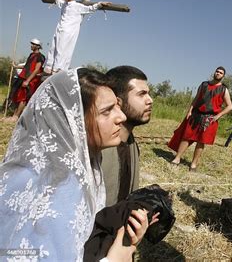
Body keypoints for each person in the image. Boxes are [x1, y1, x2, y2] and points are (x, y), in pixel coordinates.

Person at [0, 68, 153, 261]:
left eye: (116, 106)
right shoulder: (59, 192)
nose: (120, 116)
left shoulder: (77, 166)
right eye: (107, 111)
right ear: (74, 121)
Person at [102, 66, 154, 206]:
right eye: (141, 94)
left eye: (148, 93)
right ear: (118, 102)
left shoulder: (131, 144)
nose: (150, 100)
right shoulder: (99, 150)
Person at [168, 66, 232, 171]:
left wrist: (218, 116)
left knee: (201, 141)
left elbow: (230, 106)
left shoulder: (224, 90)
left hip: (209, 118)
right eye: (217, 71)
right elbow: (196, 98)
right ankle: (177, 158)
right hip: (196, 114)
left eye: (221, 73)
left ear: (223, 76)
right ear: (214, 72)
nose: (218, 73)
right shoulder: (204, 84)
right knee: (186, 137)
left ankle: (193, 164)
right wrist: (189, 110)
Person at [44, 0, 111, 74]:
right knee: (53, 47)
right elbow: (57, 0)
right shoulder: (64, 4)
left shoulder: (77, 6)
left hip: (68, 31)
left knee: (62, 49)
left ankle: (57, 68)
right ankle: (49, 66)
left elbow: (90, 8)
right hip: (59, 28)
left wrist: (100, 4)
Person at [4, 38, 45, 122]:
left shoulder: (40, 57)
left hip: (30, 79)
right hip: (23, 77)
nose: (31, 45)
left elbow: (36, 69)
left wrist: (28, 81)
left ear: (38, 46)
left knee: (23, 98)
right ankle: (15, 115)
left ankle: (16, 117)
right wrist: (16, 66)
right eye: (32, 44)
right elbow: (27, 66)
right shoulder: (31, 55)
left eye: (33, 44)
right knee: (17, 96)